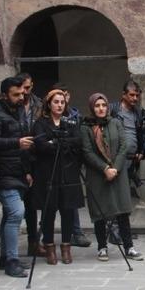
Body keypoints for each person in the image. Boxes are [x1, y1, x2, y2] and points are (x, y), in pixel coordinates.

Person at [82, 93, 143, 261]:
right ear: (92, 108)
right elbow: (87, 152)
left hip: (118, 173)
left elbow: (123, 146)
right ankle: (102, 247)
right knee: (100, 212)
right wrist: (105, 168)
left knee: (122, 210)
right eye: (97, 106)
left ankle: (129, 247)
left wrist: (115, 168)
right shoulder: (86, 127)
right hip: (97, 175)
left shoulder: (116, 123)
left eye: (103, 105)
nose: (101, 108)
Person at [0, 76, 34, 278]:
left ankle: (5, 257)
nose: (21, 97)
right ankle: (12, 261)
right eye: (16, 94)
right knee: (16, 213)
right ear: (5, 95)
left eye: (22, 93)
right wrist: (16, 143)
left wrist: (27, 170)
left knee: (8, 215)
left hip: (17, 171)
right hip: (2, 172)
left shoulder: (19, 111)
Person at [33, 90, 86, 265]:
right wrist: (59, 143)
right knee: (48, 212)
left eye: (62, 102)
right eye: (56, 102)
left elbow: (78, 141)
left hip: (68, 172)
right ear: (49, 104)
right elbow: (40, 145)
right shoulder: (41, 123)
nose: (60, 105)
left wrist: (56, 142)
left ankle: (66, 247)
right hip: (48, 173)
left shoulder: (70, 122)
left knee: (68, 210)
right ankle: (49, 246)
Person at [50, 82, 91, 248]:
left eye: (65, 96)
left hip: (70, 164)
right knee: (50, 203)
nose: (62, 101)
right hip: (52, 166)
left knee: (70, 202)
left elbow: (79, 140)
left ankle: (76, 233)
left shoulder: (75, 117)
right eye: (58, 98)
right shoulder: (45, 119)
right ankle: (46, 237)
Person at [18, 72, 44, 258]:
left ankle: (34, 242)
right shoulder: (13, 104)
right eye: (21, 89)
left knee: (33, 203)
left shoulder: (39, 104)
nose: (24, 92)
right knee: (16, 207)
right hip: (17, 156)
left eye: (27, 88)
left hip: (35, 156)